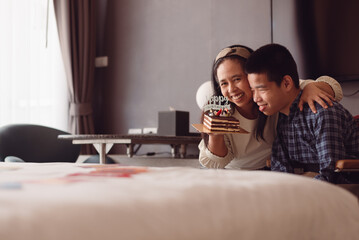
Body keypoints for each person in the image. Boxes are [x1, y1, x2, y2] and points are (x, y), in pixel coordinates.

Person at [198, 44, 343, 170]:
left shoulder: (271, 96)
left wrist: (312, 87)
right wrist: (215, 134)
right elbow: (214, 164)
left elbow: (334, 89)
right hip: (233, 172)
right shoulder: (220, 110)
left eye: (237, 79)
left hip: (269, 170)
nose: (231, 89)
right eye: (224, 83)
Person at [246, 43, 359, 183]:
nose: (255, 98)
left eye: (261, 89)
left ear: (287, 83)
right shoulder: (282, 116)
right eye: (252, 90)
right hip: (306, 187)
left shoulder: (322, 112)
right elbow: (280, 168)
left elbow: (331, 174)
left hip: (341, 190)